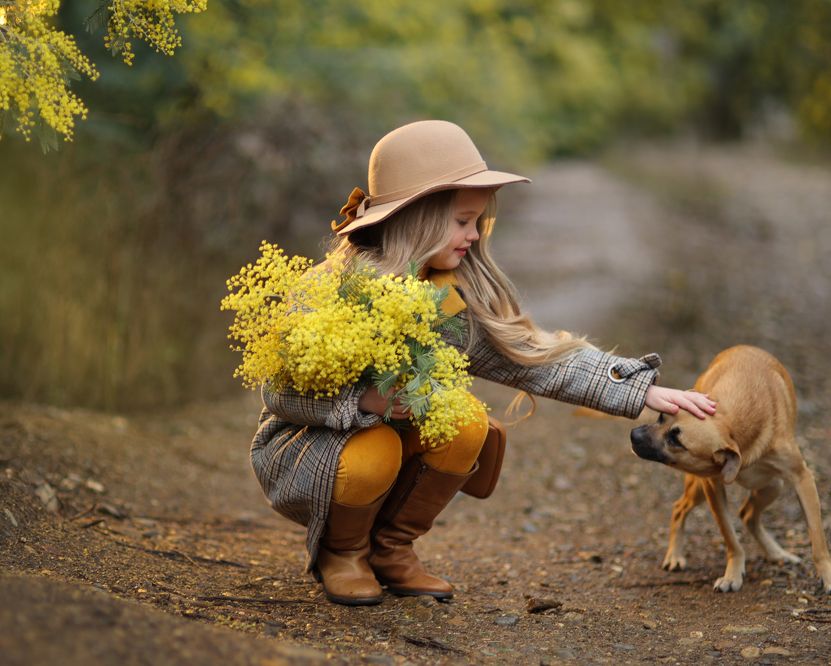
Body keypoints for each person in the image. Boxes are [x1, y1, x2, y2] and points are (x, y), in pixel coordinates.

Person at [249, 120, 717, 607]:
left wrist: (637, 391)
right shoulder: (331, 289)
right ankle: (342, 553)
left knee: (465, 421)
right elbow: (277, 394)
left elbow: (533, 359)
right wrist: (364, 400)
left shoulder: (449, 295)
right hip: (312, 452)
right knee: (377, 448)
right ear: (418, 217)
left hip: (383, 445)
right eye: (462, 221)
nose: (473, 235)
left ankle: (391, 549)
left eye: (478, 221)